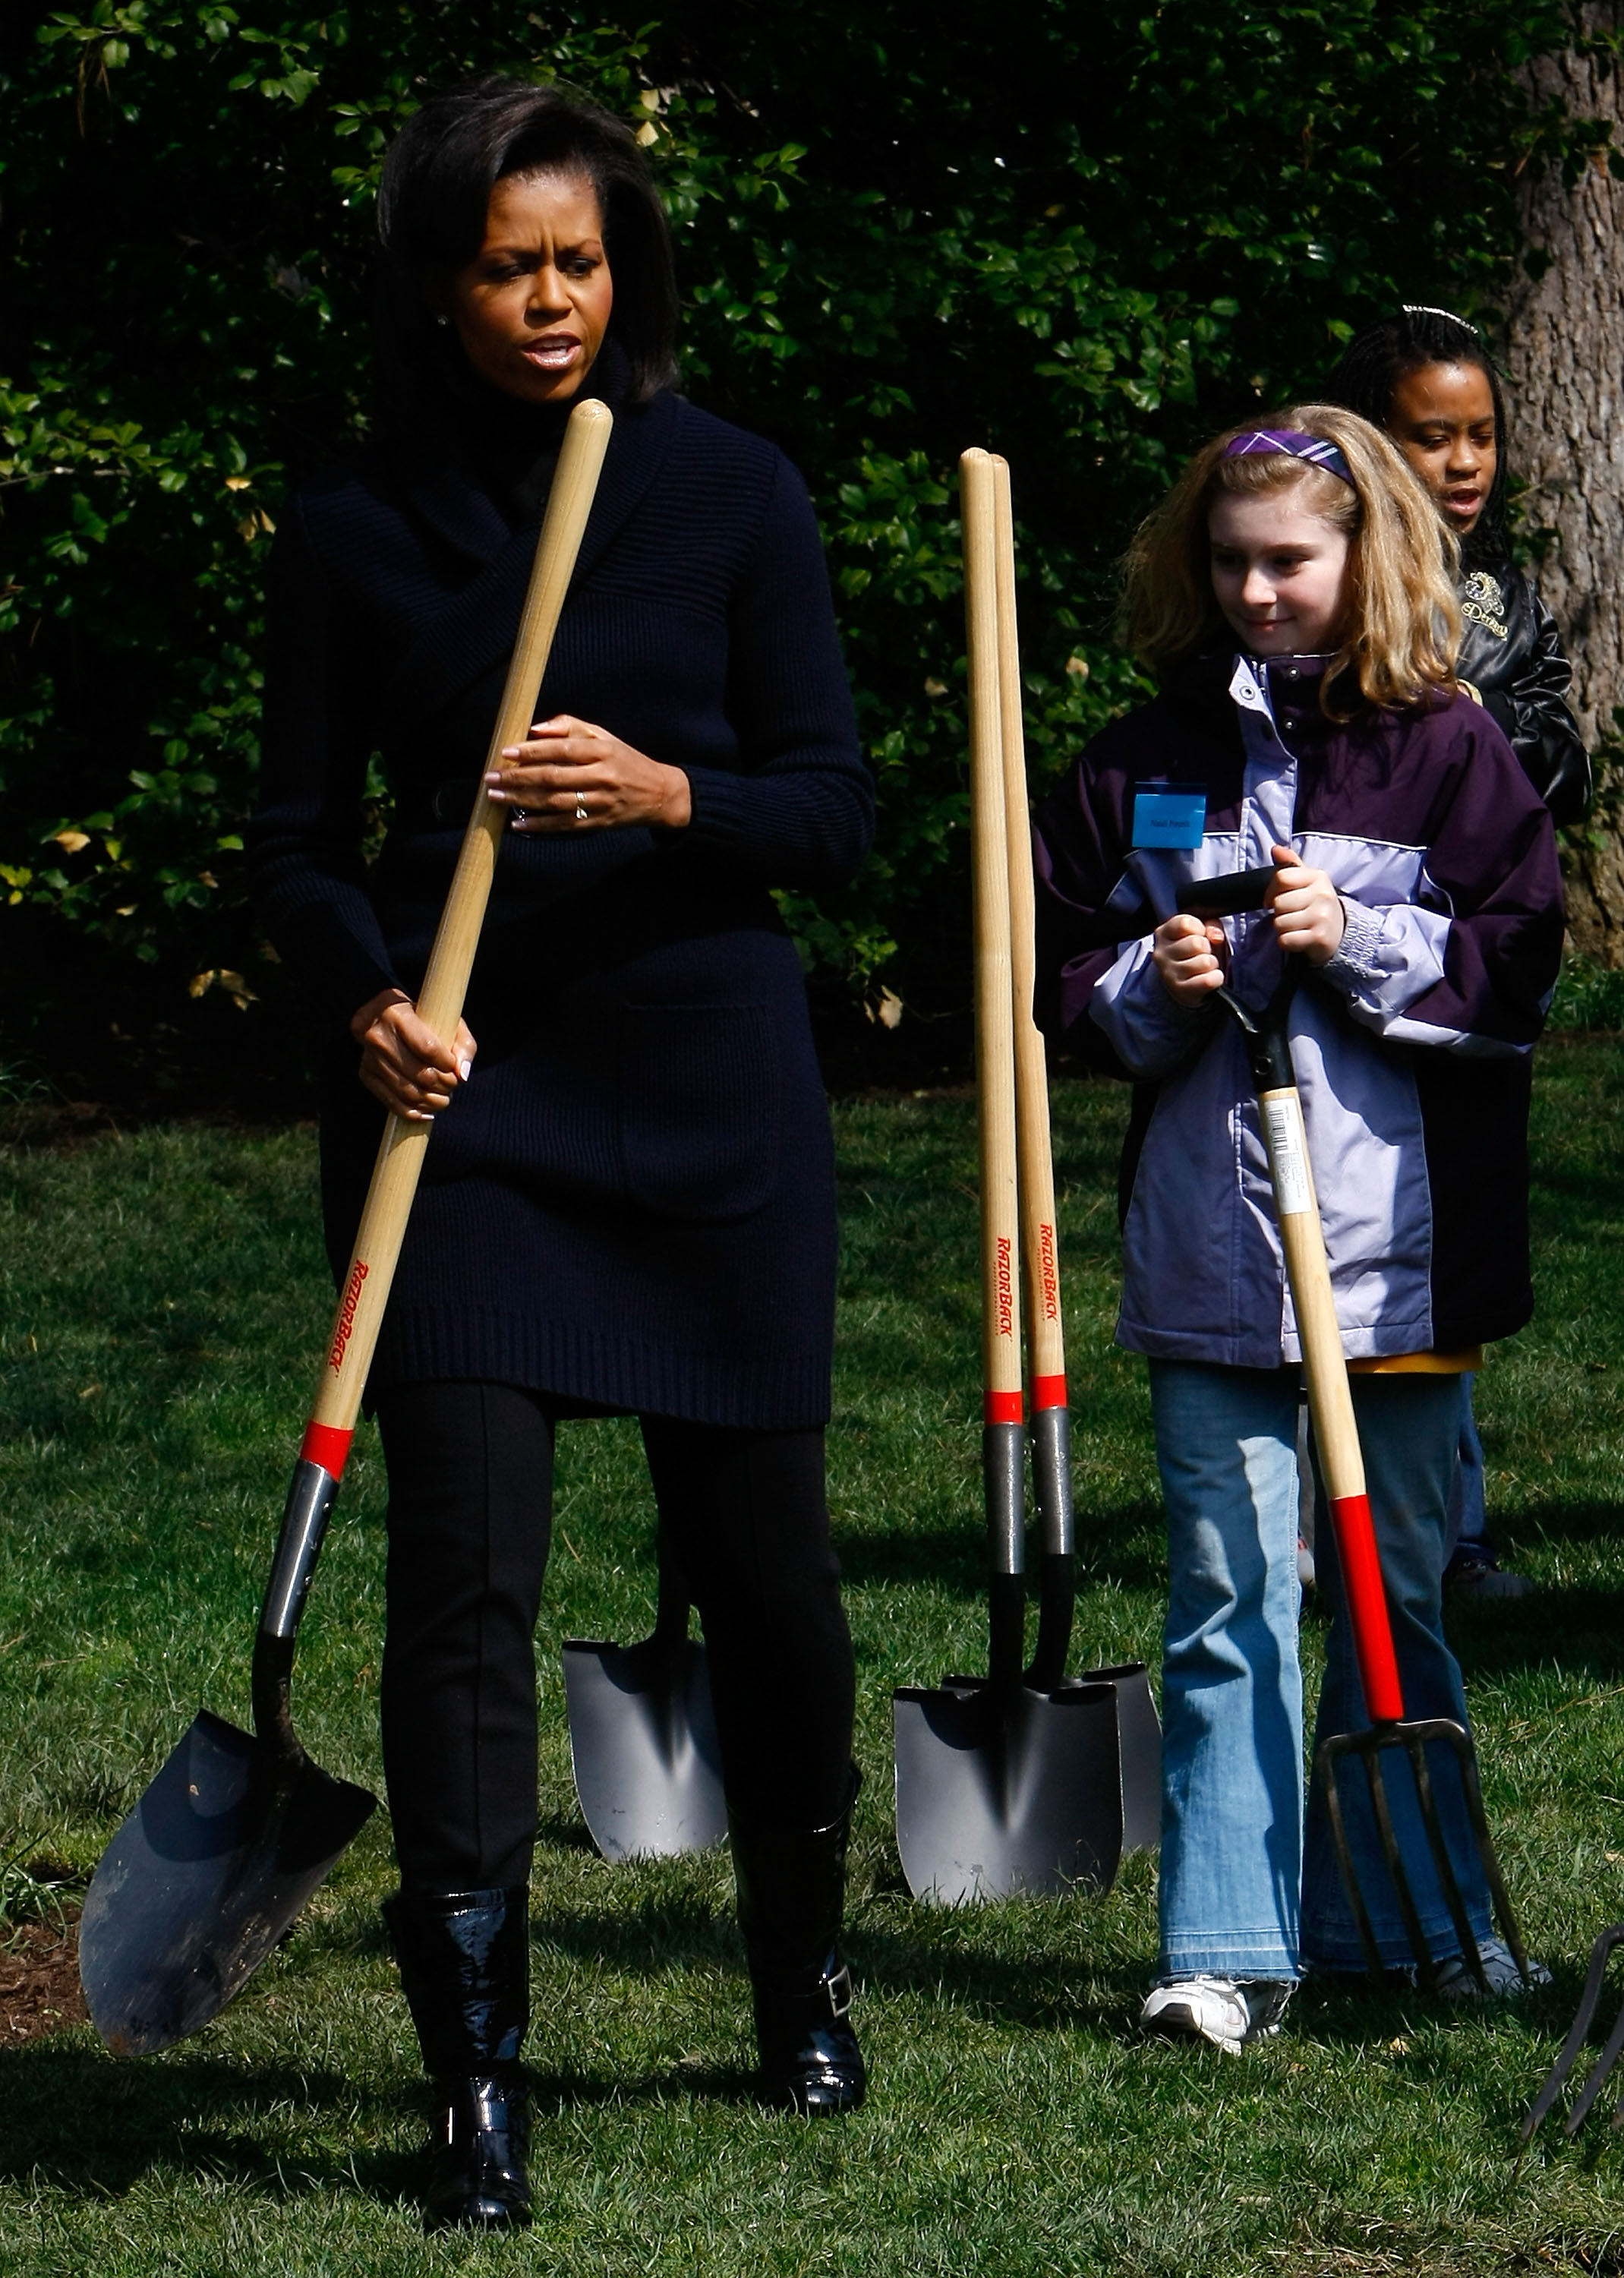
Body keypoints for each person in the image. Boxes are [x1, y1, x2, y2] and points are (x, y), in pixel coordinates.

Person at [249, 76, 873, 2232]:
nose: (548, 302)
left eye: (580, 261)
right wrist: (366, 1002)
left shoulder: (730, 496)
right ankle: (477, 2071)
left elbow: (836, 808)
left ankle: (796, 1974)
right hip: (466, 1110)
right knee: (464, 1595)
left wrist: (667, 792)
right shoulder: (352, 522)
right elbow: (291, 848)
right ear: (439, 283)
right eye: (508, 265)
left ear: (627, 270)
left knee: (774, 1590)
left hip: (708, 1091)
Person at [1033, 405, 1563, 2053]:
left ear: (1362, 561)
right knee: (1222, 1597)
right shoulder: (1137, 764)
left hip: (1396, 1262)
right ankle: (1225, 1943)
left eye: (1291, 561)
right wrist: (1150, 980)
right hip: (1212, 1260)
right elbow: (1053, 980)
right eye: (1232, 561)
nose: (1259, 590)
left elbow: (1518, 954)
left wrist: (1361, 931)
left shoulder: (1444, 750)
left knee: (1389, 1589)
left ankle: (1411, 1918)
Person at [1326, 304, 1591, 1601]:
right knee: (1342, 1238)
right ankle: (1339, 1521)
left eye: (1483, 436)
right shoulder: (1311, 586)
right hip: (1336, 963)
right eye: (1437, 438)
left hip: (1464, 960)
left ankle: (1454, 1524)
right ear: (1373, 445)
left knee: (1453, 1244)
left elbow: (1562, 753)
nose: (1468, 462)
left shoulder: (1501, 607)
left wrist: (1478, 724)